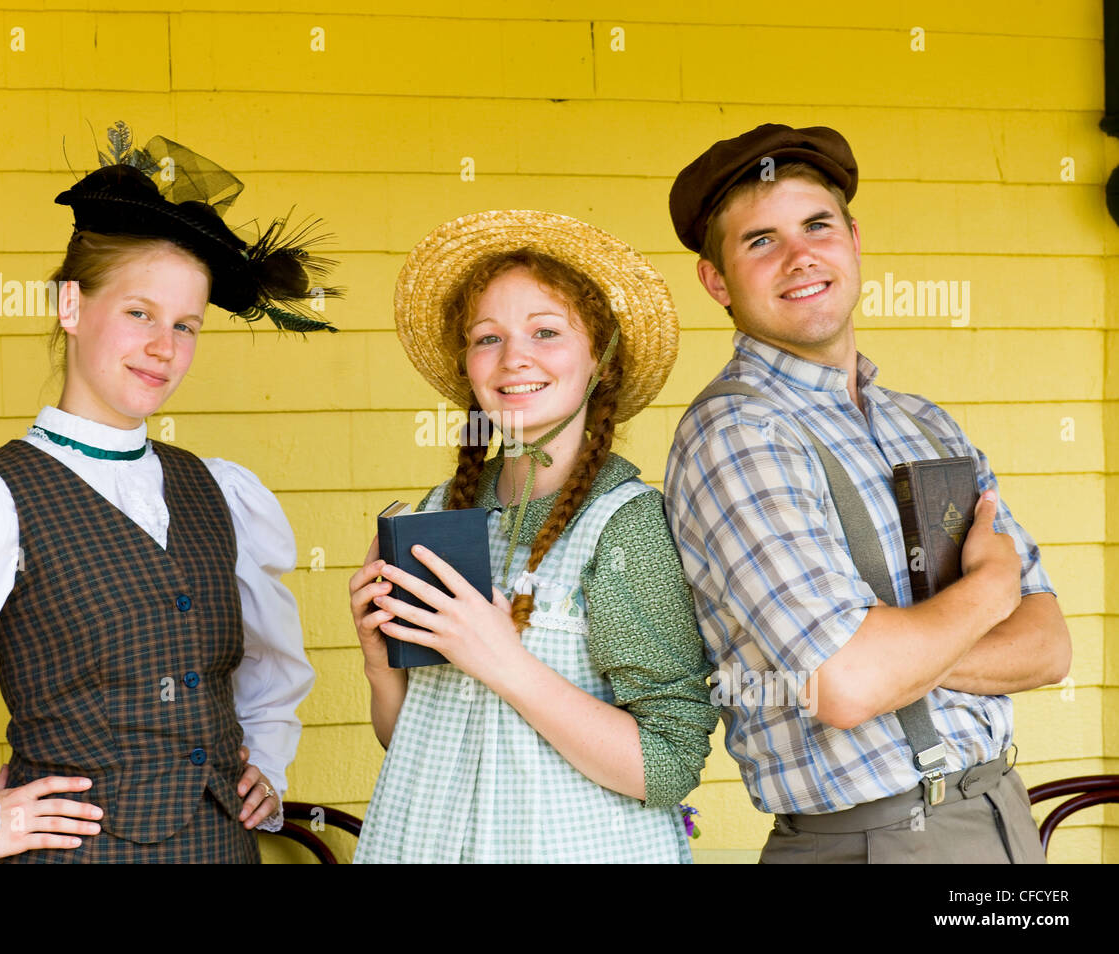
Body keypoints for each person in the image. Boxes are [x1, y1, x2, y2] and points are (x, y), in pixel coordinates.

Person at [0, 126, 336, 862]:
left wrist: (268, 764)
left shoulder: (220, 493)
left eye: (186, 325)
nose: (165, 346)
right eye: (139, 313)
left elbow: (272, 671)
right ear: (71, 306)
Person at [663, 123, 1072, 863]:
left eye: (817, 225)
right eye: (760, 240)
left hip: (1003, 815)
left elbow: (1048, 645)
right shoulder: (737, 434)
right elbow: (846, 683)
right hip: (874, 843)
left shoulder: (926, 424)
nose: (800, 256)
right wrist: (986, 592)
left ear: (852, 239)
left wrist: (900, 653)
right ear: (716, 281)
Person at [348, 210, 716, 863]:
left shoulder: (623, 524)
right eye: (487, 338)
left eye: (546, 332)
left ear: (601, 364)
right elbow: (421, 743)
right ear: (468, 366)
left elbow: (665, 767)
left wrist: (501, 659)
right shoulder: (438, 514)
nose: (514, 357)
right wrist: (380, 663)